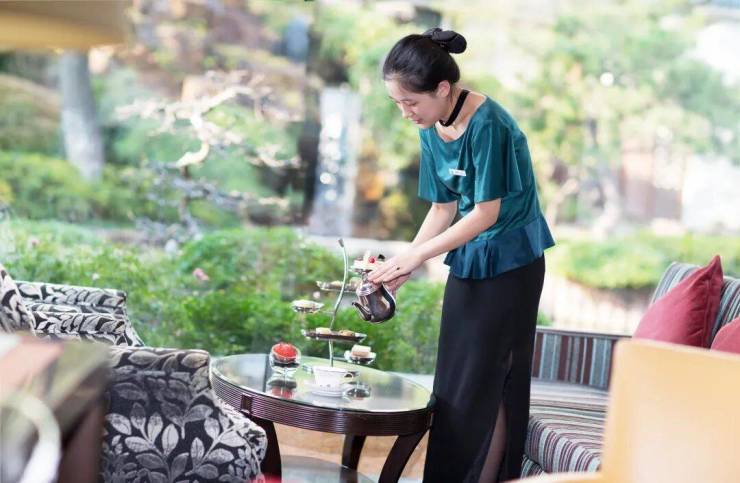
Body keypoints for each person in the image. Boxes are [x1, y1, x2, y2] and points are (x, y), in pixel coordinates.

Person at [368, 28, 555, 482]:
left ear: (442, 89)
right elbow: (443, 208)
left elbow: (486, 214)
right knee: (455, 386)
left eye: (410, 102)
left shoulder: (489, 124)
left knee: (490, 384)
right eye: (397, 103)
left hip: (512, 266)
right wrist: (401, 266)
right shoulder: (431, 126)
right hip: (471, 260)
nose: (405, 112)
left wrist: (416, 258)